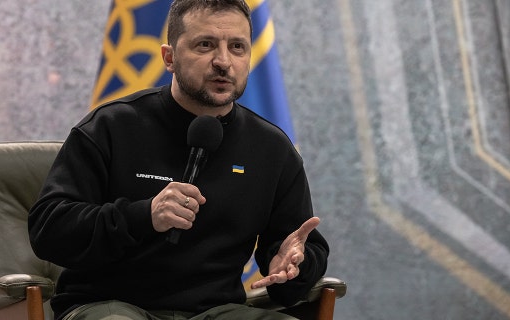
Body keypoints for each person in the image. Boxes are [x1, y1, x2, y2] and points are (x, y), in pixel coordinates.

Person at [28, 0, 329, 319]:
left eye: (237, 47)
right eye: (205, 45)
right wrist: (143, 216)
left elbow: (297, 250)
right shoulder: (111, 126)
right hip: (110, 304)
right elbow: (49, 229)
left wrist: (296, 264)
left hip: (215, 311)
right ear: (169, 58)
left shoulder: (272, 148)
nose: (223, 62)